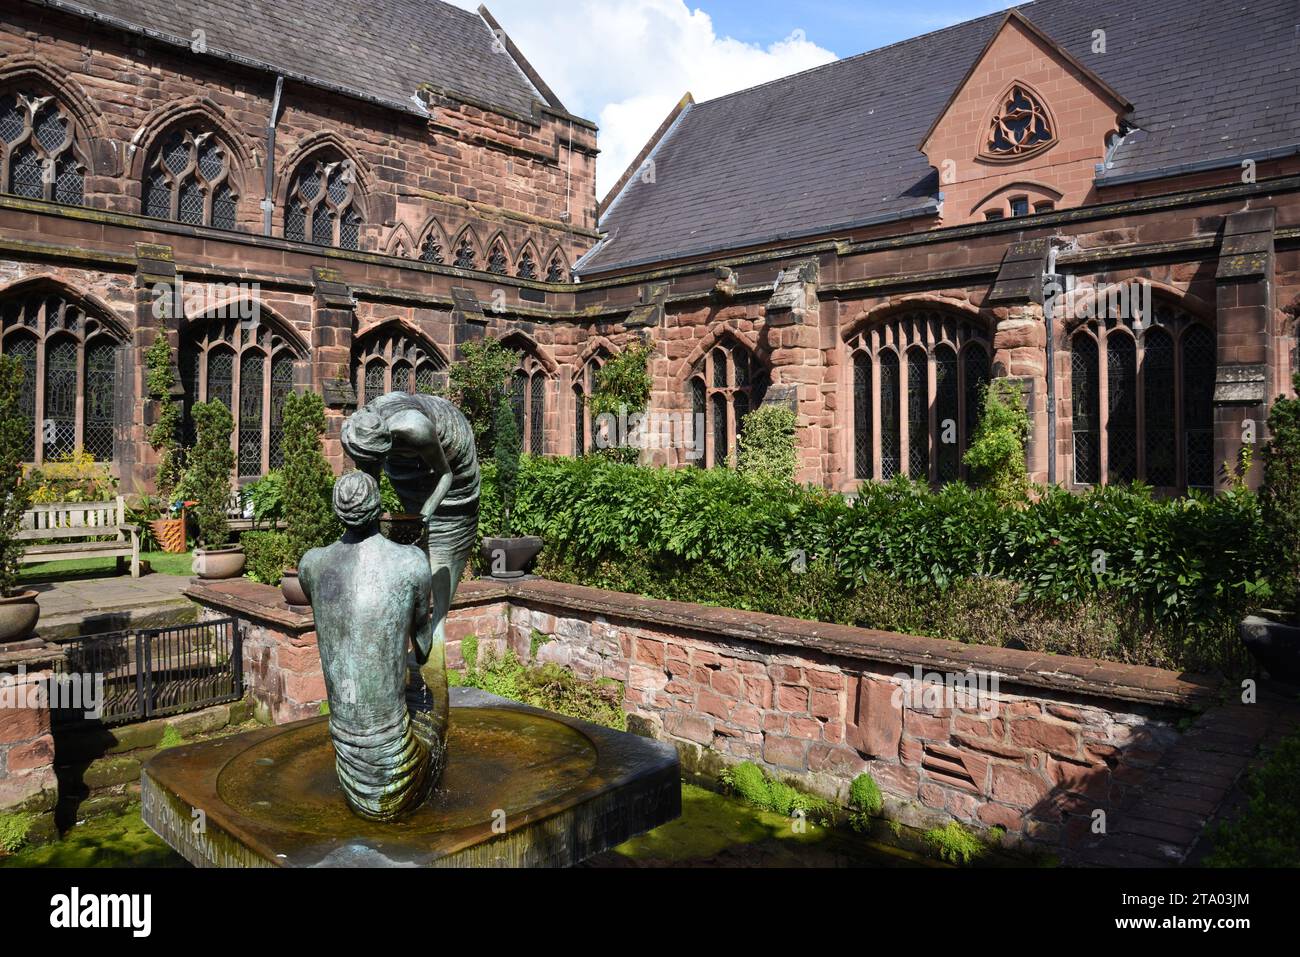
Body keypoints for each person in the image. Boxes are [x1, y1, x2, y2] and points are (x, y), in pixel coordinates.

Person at [299, 470, 448, 822]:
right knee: (435, 675)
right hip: (399, 765)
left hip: (347, 756)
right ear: (378, 508)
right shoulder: (411, 562)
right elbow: (424, 648)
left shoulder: (311, 565)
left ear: (337, 511)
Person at [340, 392, 480, 649]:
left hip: (450, 458)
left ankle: (437, 625)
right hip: (404, 463)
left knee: (444, 541)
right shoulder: (355, 431)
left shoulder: (414, 427)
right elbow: (372, 482)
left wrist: (424, 515)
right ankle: (418, 628)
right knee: (416, 549)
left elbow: (445, 475)